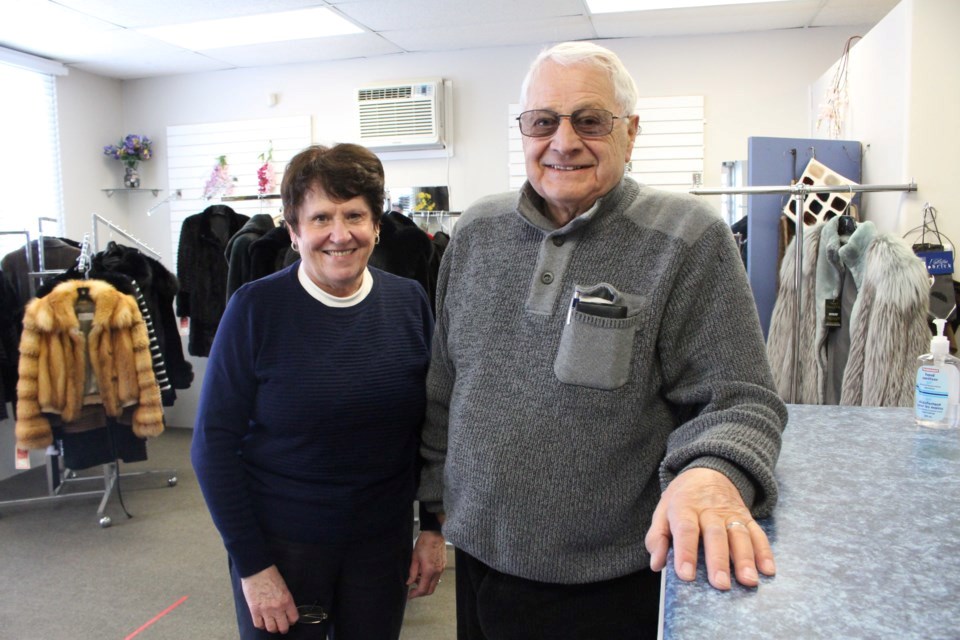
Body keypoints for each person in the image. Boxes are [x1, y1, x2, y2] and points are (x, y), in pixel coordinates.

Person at [418, 42, 787, 639]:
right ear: (524, 131)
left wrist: (713, 471)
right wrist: (433, 512)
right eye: (543, 122)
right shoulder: (476, 233)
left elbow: (740, 399)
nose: (563, 142)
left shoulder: (688, 239)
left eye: (589, 120)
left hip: (607, 582)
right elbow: (448, 384)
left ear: (630, 132)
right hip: (481, 555)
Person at [191, 143, 446, 639]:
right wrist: (253, 566)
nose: (339, 234)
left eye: (355, 215)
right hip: (284, 548)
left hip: (381, 546)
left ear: (376, 225)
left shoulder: (408, 301)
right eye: (320, 217)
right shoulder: (255, 309)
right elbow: (212, 448)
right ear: (293, 231)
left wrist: (431, 528)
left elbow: (430, 427)